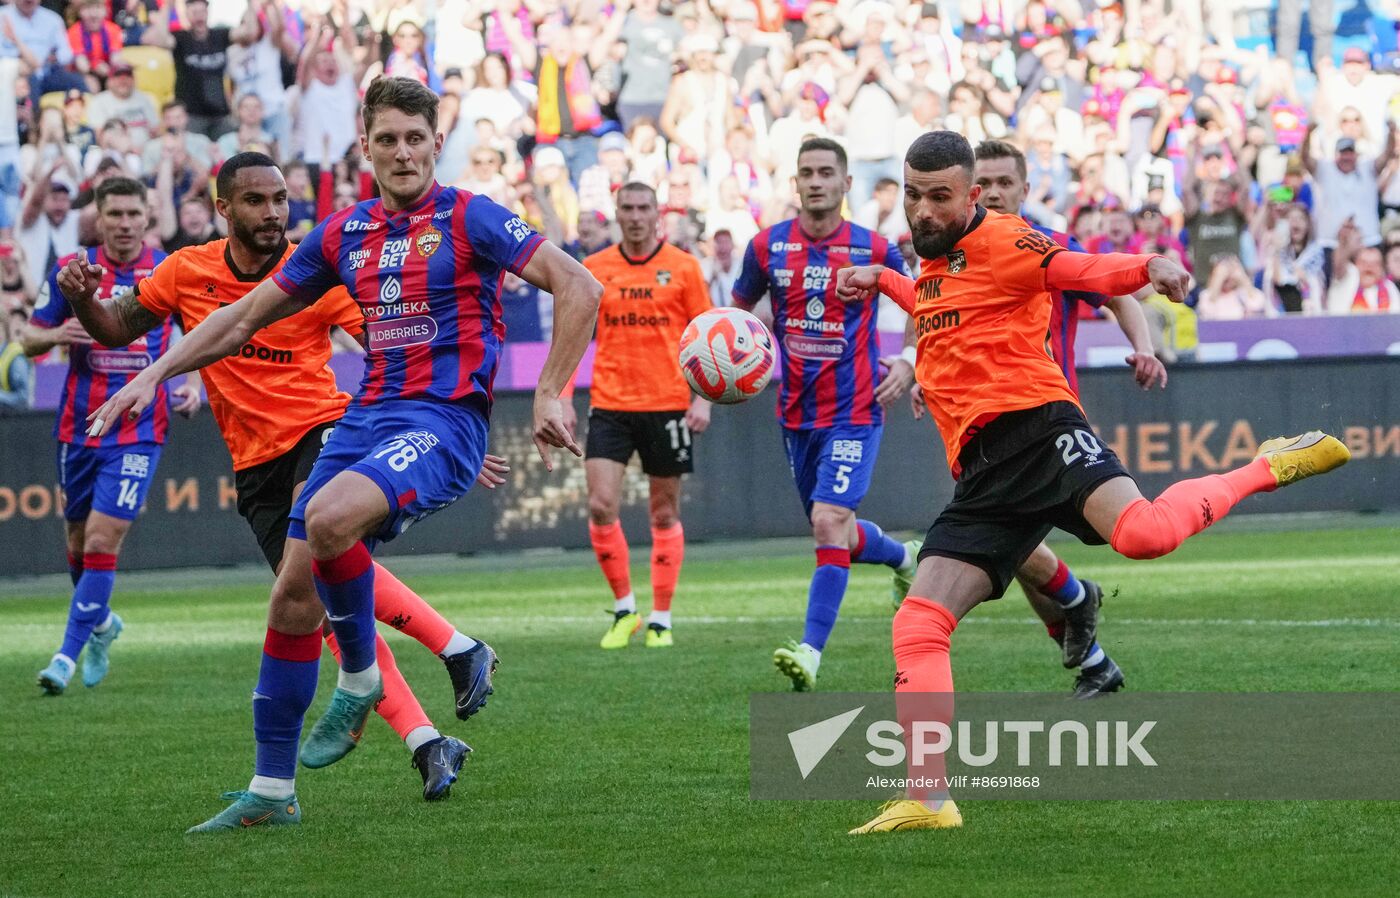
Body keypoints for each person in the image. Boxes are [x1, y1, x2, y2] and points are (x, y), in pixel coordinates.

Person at [88, 77, 602, 831]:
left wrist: (553, 391)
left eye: (415, 138)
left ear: (435, 144)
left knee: (326, 521)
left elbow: (578, 284)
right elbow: (240, 317)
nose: (402, 153)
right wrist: (155, 373)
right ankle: (271, 792)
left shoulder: (471, 216)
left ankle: (361, 677)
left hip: (441, 421)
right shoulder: (342, 234)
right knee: (293, 599)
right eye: (387, 139)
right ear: (365, 147)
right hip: (366, 422)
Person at [836, 131, 1349, 834]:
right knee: (919, 622)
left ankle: (1267, 466)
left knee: (1145, 535)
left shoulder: (1012, 241)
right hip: (983, 473)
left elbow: (1090, 272)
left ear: (974, 195)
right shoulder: (933, 260)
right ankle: (929, 799)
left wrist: (1151, 264)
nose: (921, 211)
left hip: (1042, 433)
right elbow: (934, 302)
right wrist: (883, 280)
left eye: (938, 197)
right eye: (912, 194)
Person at [58, 152, 507, 808]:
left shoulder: (320, 273)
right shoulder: (186, 271)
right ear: (223, 210)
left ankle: (428, 672)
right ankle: (427, 733)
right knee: (317, 607)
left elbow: (393, 341)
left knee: (311, 570)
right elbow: (118, 326)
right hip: (254, 465)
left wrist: (438, 422)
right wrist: (81, 299)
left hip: (323, 437)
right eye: (257, 202)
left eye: (280, 199)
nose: (274, 213)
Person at [969, 139, 1170, 697]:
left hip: (1049, 420)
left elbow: (1116, 291)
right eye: (982, 184)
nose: (994, 194)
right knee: (1014, 550)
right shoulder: (957, 254)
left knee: (1016, 545)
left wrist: (1143, 346)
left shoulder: (1050, 247)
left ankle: (1082, 607)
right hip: (983, 424)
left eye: (1005, 182)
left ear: (1026, 189)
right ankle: (1094, 656)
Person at [731, 137, 918, 691]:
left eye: (825, 173)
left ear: (845, 184)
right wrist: (718, 374)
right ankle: (905, 557)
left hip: (856, 408)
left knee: (826, 523)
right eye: (806, 172)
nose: (815, 181)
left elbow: (919, 301)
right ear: (796, 183)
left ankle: (811, 651)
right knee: (837, 529)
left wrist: (909, 360)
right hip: (795, 412)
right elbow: (735, 313)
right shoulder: (765, 247)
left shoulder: (873, 247)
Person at [19, 176, 200, 695]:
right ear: (98, 216)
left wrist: (190, 384)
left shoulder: (169, 269)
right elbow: (29, 338)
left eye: (132, 213)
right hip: (79, 426)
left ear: (148, 217)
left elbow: (207, 330)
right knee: (76, 545)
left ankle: (65, 656)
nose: (123, 223)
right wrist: (56, 333)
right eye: (113, 214)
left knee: (102, 540)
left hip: (140, 427)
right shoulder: (73, 272)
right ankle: (101, 626)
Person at [581, 182, 713, 650]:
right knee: (600, 504)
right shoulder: (595, 269)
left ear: (658, 214)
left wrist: (703, 398)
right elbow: (574, 332)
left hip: (668, 403)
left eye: (644, 208)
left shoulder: (683, 267)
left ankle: (661, 617)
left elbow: (707, 336)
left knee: (663, 511)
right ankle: (624, 609)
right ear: (616, 213)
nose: (636, 216)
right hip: (611, 403)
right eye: (627, 208)